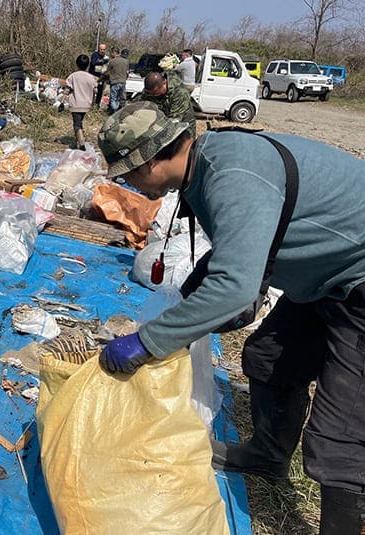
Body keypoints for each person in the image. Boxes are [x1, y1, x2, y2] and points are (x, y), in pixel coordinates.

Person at [97, 101, 365, 533]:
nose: (127, 182)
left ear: (148, 162)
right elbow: (240, 247)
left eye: (126, 172)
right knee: (267, 358)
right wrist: (192, 294)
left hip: (358, 280)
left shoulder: (231, 174)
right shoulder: (204, 165)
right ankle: (268, 456)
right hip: (323, 276)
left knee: (338, 438)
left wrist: (149, 341)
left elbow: (236, 288)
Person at [139, 71, 196, 136]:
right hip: (161, 123)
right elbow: (142, 106)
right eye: (151, 93)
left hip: (183, 127)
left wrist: (155, 130)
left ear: (164, 83)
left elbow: (174, 120)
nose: (154, 95)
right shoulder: (150, 90)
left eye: (156, 93)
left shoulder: (180, 93)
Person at [64, 54, 98, 150]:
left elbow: (67, 90)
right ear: (87, 65)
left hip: (75, 104)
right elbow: (95, 90)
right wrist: (93, 102)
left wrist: (62, 100)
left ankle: (81, 144)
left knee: (77, 124)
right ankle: (79, 141)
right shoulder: (91, 77)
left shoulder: (73, 76)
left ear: (77, 64)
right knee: (80, 122)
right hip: (86, 105)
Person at [105, 46, 128, 114]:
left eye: (111, 53)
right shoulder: (126, 61)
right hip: (123, 82)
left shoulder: (112, 61)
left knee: (113, 99)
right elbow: (127, 73)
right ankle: (121, 112)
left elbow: (107, 72)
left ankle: (115, 113)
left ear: (114, 52)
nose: (110, 54)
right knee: (120, 99)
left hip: (115, 82)